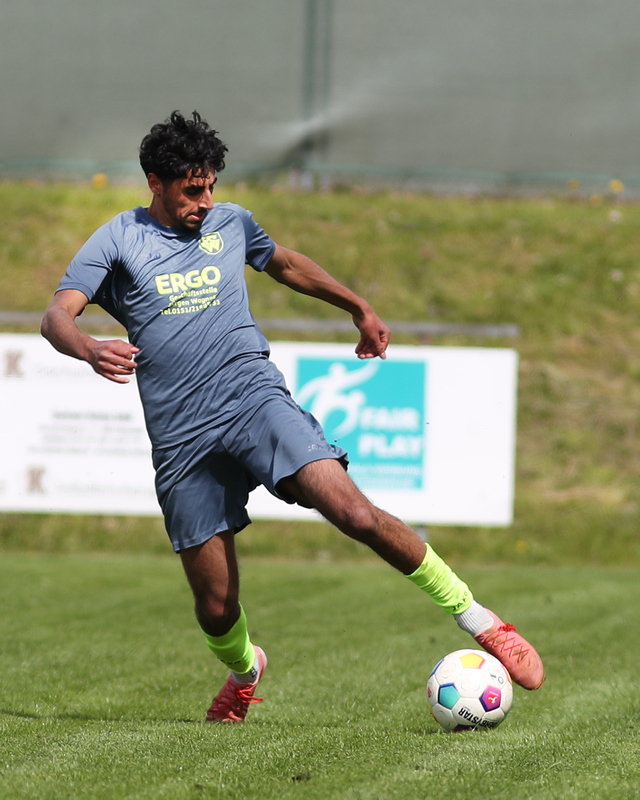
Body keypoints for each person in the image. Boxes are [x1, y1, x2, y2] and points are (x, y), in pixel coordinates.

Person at [41, 110, 544, 723]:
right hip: (182, 437)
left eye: (210, 186)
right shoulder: (118, 239)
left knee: (354, 512)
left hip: (253, 400)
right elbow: (57, 316)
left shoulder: (231, 223)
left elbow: (284, 263)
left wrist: (357, 306)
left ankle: (482, 620)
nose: (205, 202)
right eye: (192, 190)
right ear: (155, 182)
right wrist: (88, 347)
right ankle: (244, 671)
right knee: (216, 607)